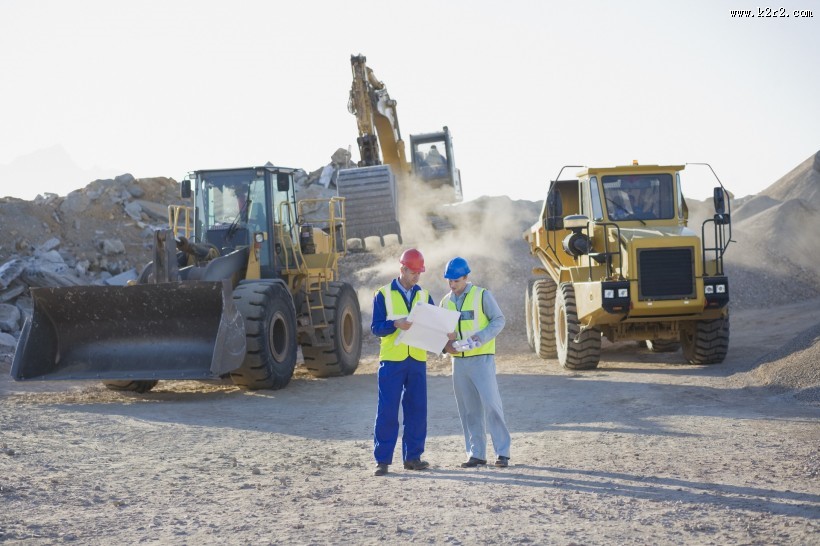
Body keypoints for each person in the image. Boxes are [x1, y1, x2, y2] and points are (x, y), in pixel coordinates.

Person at [440, 257, 512, 468]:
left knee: (491, 405)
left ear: (466, 277)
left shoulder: (481, 295)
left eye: (456, 281)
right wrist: (446, 345)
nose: (452, 285)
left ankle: (503, 453)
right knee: (468, 409)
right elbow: (441, 331)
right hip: (458, 363)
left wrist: (479, 338)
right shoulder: (445, 302)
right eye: (449, 281)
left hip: (481, 359)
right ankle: (477, 453)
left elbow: (499, 320)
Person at [370, 248, 435, 477]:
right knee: (387, 410)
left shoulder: (425, 296)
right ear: (403, 269)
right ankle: (382, 461)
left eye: (420, 272)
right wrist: (395, 324)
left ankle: (413, 458)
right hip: (392, 361)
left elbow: (434, 325)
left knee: (417, 409)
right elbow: (376, 327)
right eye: (413, 272)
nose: (417, 276)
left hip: (416, 359)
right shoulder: (383, 294)